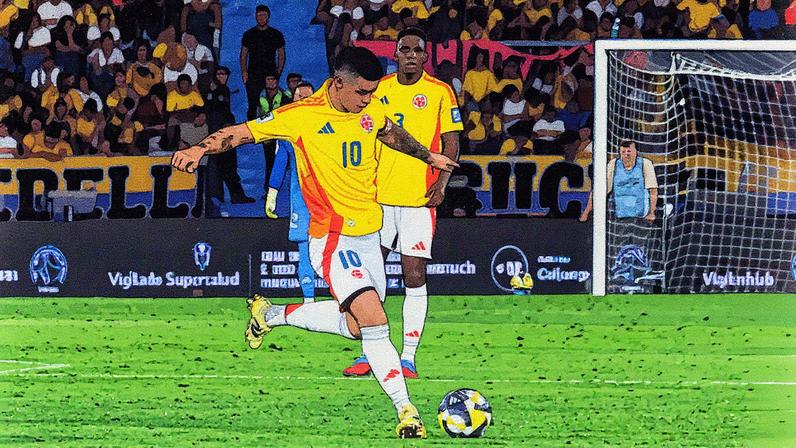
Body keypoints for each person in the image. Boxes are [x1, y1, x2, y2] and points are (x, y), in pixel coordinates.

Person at [171, 46, 458, 439]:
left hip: (369, 235)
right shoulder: (301, 116)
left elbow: (390, 132)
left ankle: (270, 315)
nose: (368, 101)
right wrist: (199, 149)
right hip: (332, 237)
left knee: (357, 326)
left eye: (372, 94)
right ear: (338, 84)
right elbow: (240, 134)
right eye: (362, 93)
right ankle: (406, 409)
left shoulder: (368, 110)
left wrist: (429, 157)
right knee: (375, 321)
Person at [342, 28, 462, 380]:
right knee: (369, 278)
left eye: (417, 50)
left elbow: (451, 142)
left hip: (418, 199)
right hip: (377, 198)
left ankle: (407, 357)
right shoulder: (380, 89)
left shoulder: (440, 92)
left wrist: (442, 183)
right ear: (395, 54)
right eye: (404, 49)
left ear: (426, 56)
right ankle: (370, 353)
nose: (410, 54)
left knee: (414, 275)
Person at [265, 82, 316, 303]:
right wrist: (272, 193)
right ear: (293, 99)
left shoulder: (330, 124)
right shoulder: (286, 128)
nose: (303, 99)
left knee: (337, 247)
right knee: (304, 248)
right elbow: (280, 161)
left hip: (330, 199)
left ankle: (345, 300)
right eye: (299, 95)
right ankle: (309, 301)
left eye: (307, 95)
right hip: (302, 200)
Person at [204, 66, 254, 206]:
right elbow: (218, 111)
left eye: (225, 74)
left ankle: (229, 196)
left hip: (221, 131)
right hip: (220, 132)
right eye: (219, 73)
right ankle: (227, 196)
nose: (222, 76)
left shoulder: (221, 90)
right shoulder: (218, 90)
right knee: (225, 165)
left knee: (226, 166)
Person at [579, 140, 658, 222]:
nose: (626, 154)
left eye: (629, 151)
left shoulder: (645, 164)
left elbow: (653, 190)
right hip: (619, 215)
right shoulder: (613, 164)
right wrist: (586, 212)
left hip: (641, 214)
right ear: (620, 153)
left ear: (636, 152)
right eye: (623, 151)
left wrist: (651, 212)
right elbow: (600, 190)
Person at [240, 4, 285, 120]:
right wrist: (244, 72)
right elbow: (244, 54)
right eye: (258, 15)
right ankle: (252, 133)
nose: (261, 18)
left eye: (263, 15)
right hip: (253, 75)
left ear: (268, 16)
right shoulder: (248, 34)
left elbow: (281, 54)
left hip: (270, 73)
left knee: (272, 104)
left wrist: (278, 72)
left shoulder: (276, 34)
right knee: (253, 105)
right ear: (255, 17)